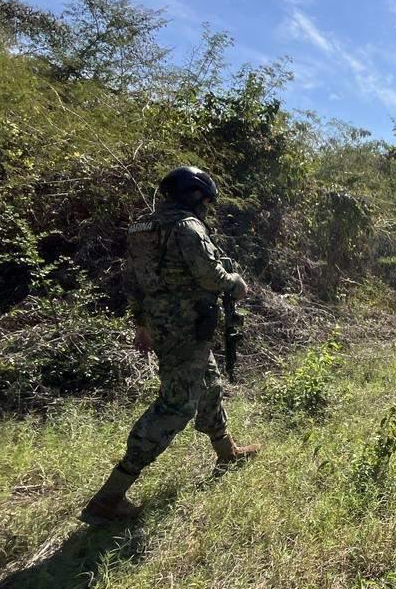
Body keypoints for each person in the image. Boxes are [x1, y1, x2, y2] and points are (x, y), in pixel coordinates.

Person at [80, 166, 260, 525]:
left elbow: (132, 280)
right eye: (206, 201)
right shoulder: (187, 227)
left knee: (209, 384)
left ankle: (226, 452)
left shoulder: (142, 227)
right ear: (196, 196)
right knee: (176, 406)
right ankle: (109, 497)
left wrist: (142, 323)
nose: (206, 208)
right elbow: (211, 275)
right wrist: (235, 283)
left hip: (164, 325)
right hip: (186, 327)